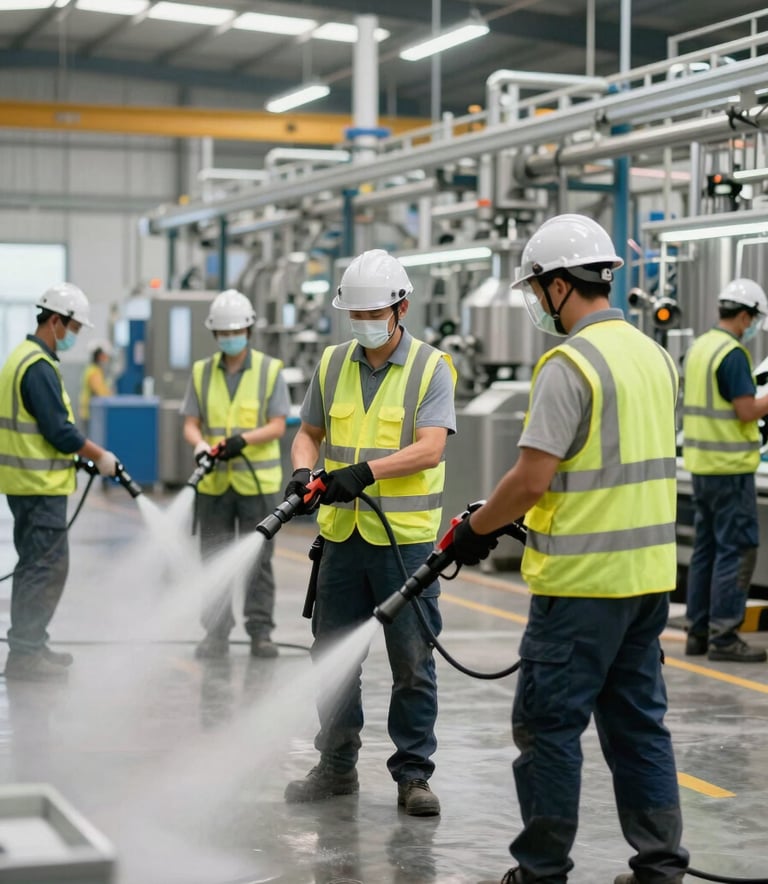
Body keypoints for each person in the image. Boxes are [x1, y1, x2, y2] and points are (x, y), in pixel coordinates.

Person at [450, 216, 688, 884]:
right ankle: (660, 867)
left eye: (537, 289)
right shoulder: (653, 356)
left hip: (581, 587)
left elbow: (531, 478)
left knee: (549, 729)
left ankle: (542, 869)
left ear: (561, 285)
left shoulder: (569, 364)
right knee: (640, 729)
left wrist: (476, 530)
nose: (535, 303)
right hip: (647, 586)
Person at [282, 249, 456, 817]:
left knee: (411, 662)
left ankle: (412, 775)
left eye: (372, 311)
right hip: (342, 537)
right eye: (353, 312)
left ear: (401, 307)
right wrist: (303, 471)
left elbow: (431, 447)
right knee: (332, 657)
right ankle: (336, 767)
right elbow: (308, 432)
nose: (362, 321)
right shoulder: (332, 363)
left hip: (405, 544)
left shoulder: (432, 367)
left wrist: (363, 474)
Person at [0, 283, 121, 681]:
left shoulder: (23, 358)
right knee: (45, 568)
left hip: (27, 484)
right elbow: (58, 431)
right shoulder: (36, 365)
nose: (75, 336)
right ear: (55, 321)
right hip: (38, 488)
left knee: (36, 566)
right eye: (73, 327)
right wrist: (97, 455)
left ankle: (31, 644)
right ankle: (26, 654)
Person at [181, 288, 289, 659]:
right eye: (223, 333)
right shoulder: (200, 373)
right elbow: (191, 423)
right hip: (214, 484)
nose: (229, 338)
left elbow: (277, 425)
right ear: (215, 335)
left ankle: (260, 632)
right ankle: (216, 633)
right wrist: (198, 444)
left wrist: (243, 440)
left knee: (258, 562)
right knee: (213, 560)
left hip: (257, 484)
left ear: (248, 330)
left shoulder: (269, 370)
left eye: (235, 332)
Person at [682, 278, 768, 663]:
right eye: (753, 321)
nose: (752, 328)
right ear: (745, 315)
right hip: (730, 469)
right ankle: (725, 637)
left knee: (706, 550)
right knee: (737, 550)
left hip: (701, 467)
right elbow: (746, 410)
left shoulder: (701, 347)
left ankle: (698, 633)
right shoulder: (732, 354)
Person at [78, 342, 113, 433]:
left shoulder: (95, 369)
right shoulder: (94, 371)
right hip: (90, 412)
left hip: (91, 411)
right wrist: (109, 394)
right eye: (105, 356)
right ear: (99, 356)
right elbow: (98, 391)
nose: (107, 358)